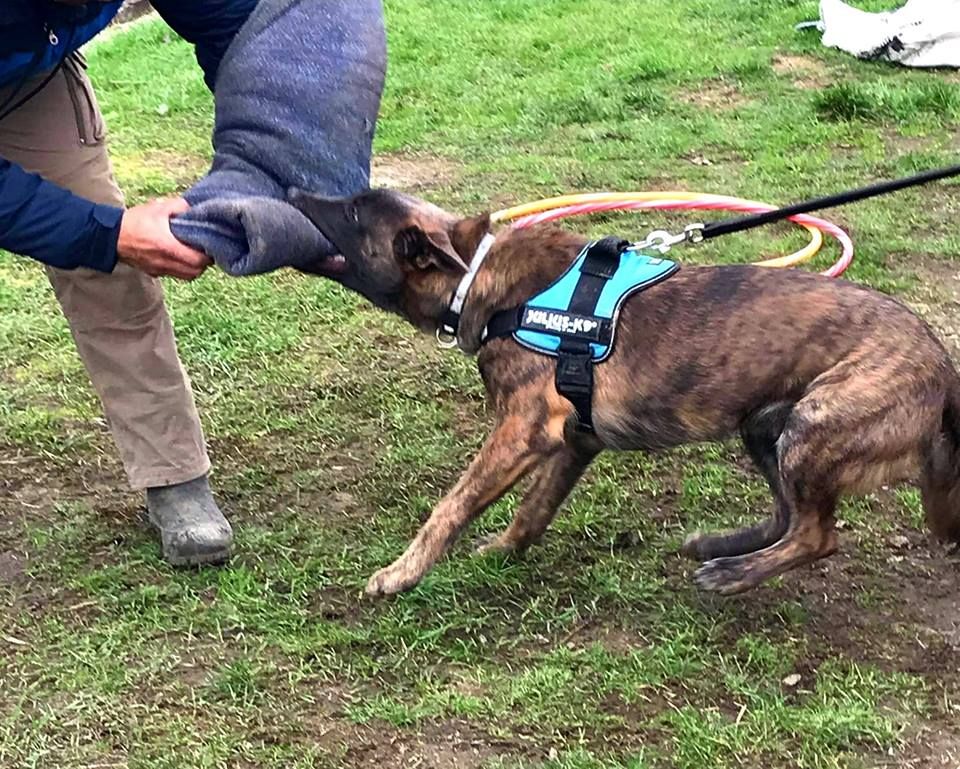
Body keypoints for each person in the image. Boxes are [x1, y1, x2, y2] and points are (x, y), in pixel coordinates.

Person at [0, 1, 258, 565]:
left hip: (27, 78)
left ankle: (175, 475)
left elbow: (229, 23)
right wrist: (109, 232)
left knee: (108, 276)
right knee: (102, 239)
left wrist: (259, 154)